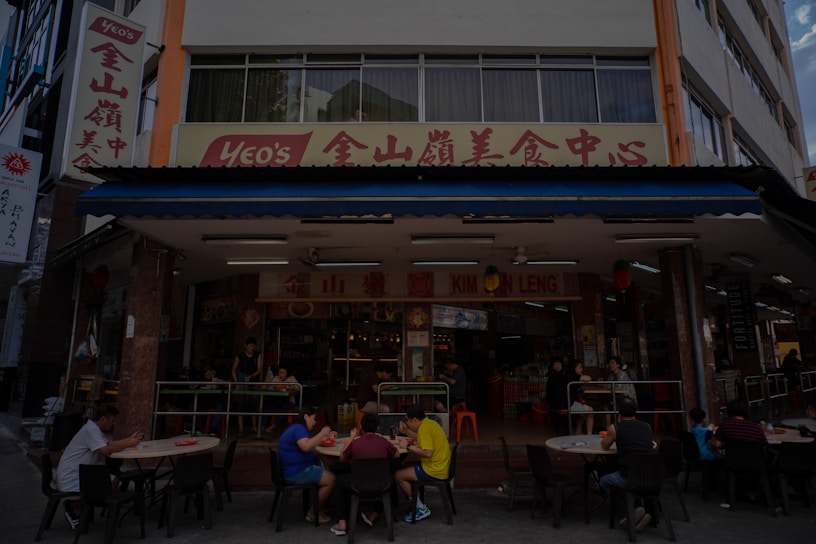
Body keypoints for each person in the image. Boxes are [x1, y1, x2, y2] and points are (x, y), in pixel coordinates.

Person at [55, 404, 144, 529]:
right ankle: (74, 506)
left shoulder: (93, 428)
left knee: (113, 480)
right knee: (109, 484)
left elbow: (110, 443)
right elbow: (105, 450)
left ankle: (78, 507)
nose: (112, 425)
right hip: (72, 478)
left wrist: (130, 440)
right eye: (112, 421)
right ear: (103, 419)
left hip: (80, 475)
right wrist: (129, 443)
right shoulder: (91, 430)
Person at [329, 413, 400, 536]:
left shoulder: (356, 443)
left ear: (361, 428)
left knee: (339, 481)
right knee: (391, 478)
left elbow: (342, 457)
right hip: (382, 484)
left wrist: (352, 438)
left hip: (357, 484)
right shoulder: (383, 441)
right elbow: (397, 455)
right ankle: (376, 512)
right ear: (378, 428)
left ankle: (342, 522)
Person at [599, 396, 654, 533]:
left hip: (629, 477)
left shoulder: (615, 428)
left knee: (604, 481)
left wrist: (616, 425)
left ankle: (627, 513)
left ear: (619, 412)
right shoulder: (647, 426)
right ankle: (636, 510)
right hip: (653, 476)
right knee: (619, 480)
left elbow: (604, 446)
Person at [277, 406, 336, 524]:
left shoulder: (296, 428)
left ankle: (318, 506)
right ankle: (312, 513)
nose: (314, 422)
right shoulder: (298, 428)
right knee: (331, 479)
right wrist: (322, 433)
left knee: (328, 469)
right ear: (306, 417)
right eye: (313, 419)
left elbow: (309, 445)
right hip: (296, 472)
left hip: (296, 469)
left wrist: (325, 437)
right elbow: (306, 446)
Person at [395, 405, 451, 522]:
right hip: (441, 466)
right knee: (404, 468)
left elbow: (428, 453)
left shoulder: (425, 429)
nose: (407, 422)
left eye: (407, 420)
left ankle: (420, 508)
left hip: (434, 469)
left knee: (398, 475)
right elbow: (420, 438)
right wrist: (406, 431)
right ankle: (415, 503)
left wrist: (408, 447)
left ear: (414, 419)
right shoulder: (429, 424)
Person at [232, 336, 263, 436]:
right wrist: (237, 382)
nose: (252, 348)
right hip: (242, 378)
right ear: (245, 346)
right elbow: (234, 370)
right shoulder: (239, 356)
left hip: (253, 379)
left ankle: (254, 426)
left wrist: (251, 376)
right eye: (250, 346)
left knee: (254, 401)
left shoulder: (257, 355)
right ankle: (241, 428)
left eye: (253, 346)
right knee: (241, 402)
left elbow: (259, 369)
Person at [263, 365, 299, 435]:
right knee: (267, 406)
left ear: (287, 373)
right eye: (280, 372)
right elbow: (265, 388)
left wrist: (290, 385)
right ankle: (262, 426)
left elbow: (299, 388)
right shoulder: (276, 378)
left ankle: (274, 426)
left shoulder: (291, 378)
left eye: (283, 373)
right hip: (276, 400)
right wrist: (269, 381)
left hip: (288, 402)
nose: (281, 374)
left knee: (283, 408)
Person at [192, 365, 226, 435]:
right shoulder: (201, 379)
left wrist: (219, 381)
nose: (207, 375)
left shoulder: (217, 378)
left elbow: (230, 385)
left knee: (220, 407)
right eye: (206, 374)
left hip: (215, 401)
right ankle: (197, 428)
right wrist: (196, 384)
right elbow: (191, 387)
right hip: (204, 400)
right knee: (193, 404)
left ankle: (214, 429)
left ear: (213, 372)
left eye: (209, 374)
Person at [566, 359, 595, 434]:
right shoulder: (572, 374)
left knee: (582, 412)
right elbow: (588, 378)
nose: (581, 369)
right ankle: (589, 434)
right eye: (580, 367)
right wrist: (581, 375)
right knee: (590, 410)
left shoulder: (568, 374)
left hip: (568, 402)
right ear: (574, 367)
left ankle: (578, 431)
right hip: (568, 404)